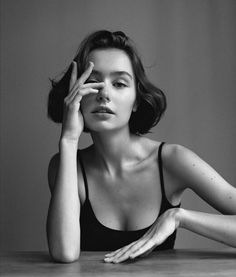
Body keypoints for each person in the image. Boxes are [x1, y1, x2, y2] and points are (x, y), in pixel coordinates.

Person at [46, 30, 236, 264]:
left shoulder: (172, 160)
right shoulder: (65, 166)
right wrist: (68, 140)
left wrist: (179, 217)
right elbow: (64, 252)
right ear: (75, 94)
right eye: (93, 81)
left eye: (119, 83)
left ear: (136, 100)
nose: (104, 94)